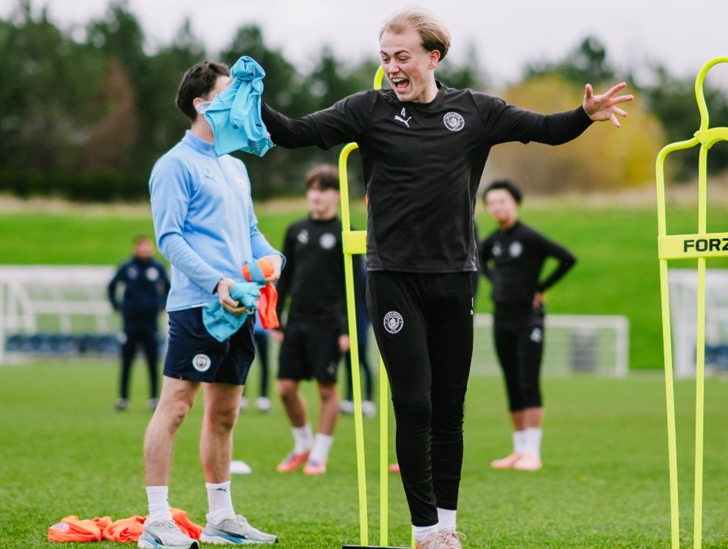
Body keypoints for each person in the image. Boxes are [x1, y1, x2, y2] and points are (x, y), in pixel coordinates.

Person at [241, 8, 633, 548]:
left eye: (402, 57)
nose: (392, 68)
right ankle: (424, 531)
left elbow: (545, 130)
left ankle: (447, 527)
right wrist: (253, 99)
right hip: (393, 278)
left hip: (455, 278)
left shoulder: (475, 111)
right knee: (415, 403)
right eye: (385, 58)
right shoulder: (367, 109)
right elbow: (294, 133)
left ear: (433, 57)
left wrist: (584, 114)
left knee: (450, 408)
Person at [141, 60, 281, 548]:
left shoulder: (235, 165)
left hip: (240, 305)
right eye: (229, 92)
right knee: (176, 407)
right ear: (203, 104)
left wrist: (272, 257)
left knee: (225, 414)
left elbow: (250, 231)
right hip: (197, 305)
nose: (240, 101)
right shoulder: (174, 165)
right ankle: (157, 521)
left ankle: (220, 518)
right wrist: (218, 282)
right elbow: (169, 239)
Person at [272, 164, 364, 476]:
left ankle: (319, 454)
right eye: (312, 189)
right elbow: (284, 279)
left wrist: (347, 329)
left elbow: (355, 287)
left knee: (327, 390)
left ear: (336, 195)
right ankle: (302, 445)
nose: (316, 196)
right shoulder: (295, 230)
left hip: (329, 323)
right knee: (285, 388)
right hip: (296, 319)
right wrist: (276, 318)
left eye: (323, 190)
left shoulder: (345, 234)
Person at [479, 179, 576, 472]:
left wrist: (541, 287)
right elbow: (478, 260)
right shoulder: (494, 241)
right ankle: (519, 449)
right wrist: (495, 281)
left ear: (515, 203)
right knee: (511, 381)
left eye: (502, 201)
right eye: (491, 202)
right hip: (501, 317)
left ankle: (533, 452)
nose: (496, 207)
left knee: (528, 380)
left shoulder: (530, 237)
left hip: (528, 319)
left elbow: (567, 258)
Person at [107, 235, 170, 412]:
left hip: (151, 323)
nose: (144, 250)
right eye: (141, 246)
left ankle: (154, 399)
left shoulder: (157, 267)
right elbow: (112, 286)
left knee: (153, 362)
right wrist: (116, 305)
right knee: (127, 361)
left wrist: (163, 304)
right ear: (136, 248)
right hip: (130, 323)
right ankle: (123, 399)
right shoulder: (127, 267)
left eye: (147, 247)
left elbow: (168, 287)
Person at [340, 253, 376, 418]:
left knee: (362, 359)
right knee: (349, 362)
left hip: (360, 321)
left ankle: (368, 400)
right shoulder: (349, 267)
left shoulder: (364, 268)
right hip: (347, 321)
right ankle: (349, 398)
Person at [241, 312, 272, 413]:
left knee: (264, 364)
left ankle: (263, 397)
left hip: (263, 329)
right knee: (243, 363)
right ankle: (241, 396)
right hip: (247, 327)